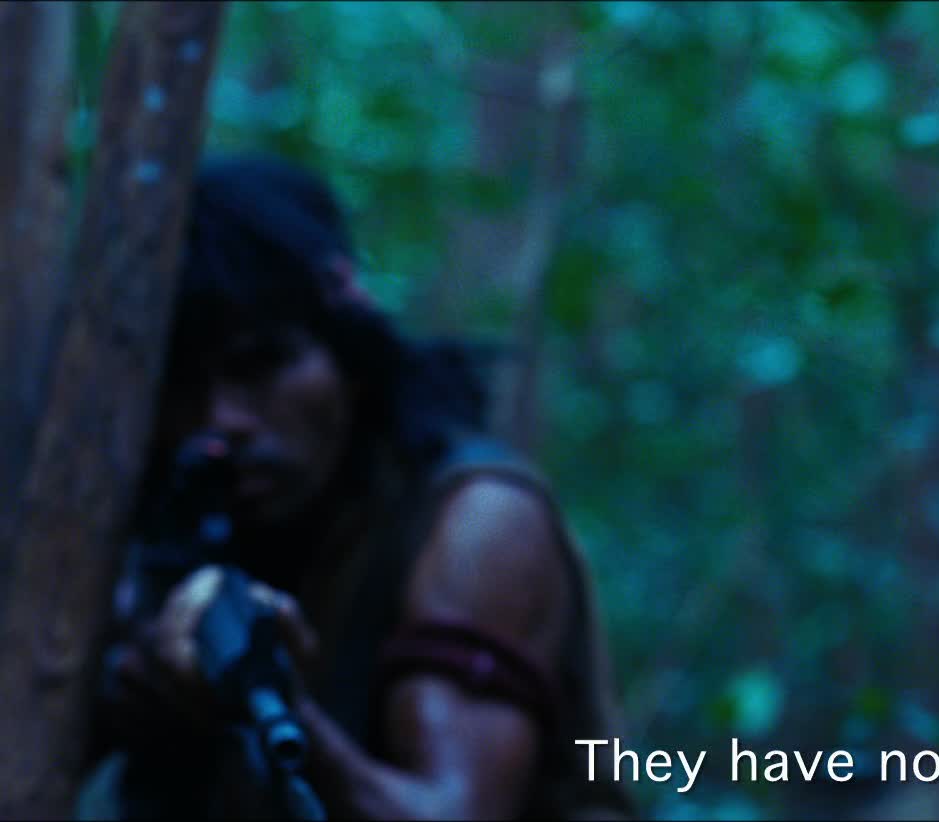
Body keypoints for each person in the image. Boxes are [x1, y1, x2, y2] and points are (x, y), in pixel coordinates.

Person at [77, 156, 633, 820]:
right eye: (182, 386)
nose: (221, 420)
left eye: (261, 365)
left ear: (348, 354)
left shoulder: (474, 522)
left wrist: (268, 699)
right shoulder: (160, 521)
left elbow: (452, 813)